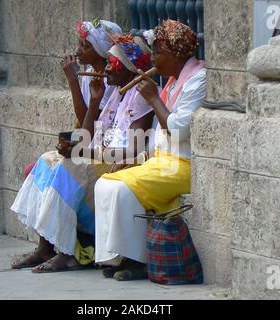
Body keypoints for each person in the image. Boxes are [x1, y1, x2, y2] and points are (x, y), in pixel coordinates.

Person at [10, 34, 154, 273]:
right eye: (107, 62)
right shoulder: (115, 92)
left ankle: (67, 253)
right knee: (47, 161)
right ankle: (45, 247)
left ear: (128, 66)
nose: (106, 68)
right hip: (99, 155)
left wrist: (89, 151)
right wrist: (95, 101)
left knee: (70, 168)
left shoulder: (139, 95)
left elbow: (134, 150)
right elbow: (86, 136)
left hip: (120, 163)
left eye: (112, 63)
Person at [94, 20, 207, 281]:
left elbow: (178, 130)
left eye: (158, 53)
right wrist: (140, 159)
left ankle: (138, 260)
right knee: (105, 183)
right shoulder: (172, 80)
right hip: (162, 161)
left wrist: (154, 99)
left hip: (183, 164)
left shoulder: (198, 79)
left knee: (121, 189)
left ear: (175, 54)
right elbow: (159, 138)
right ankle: (117, 255)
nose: (154, 58)